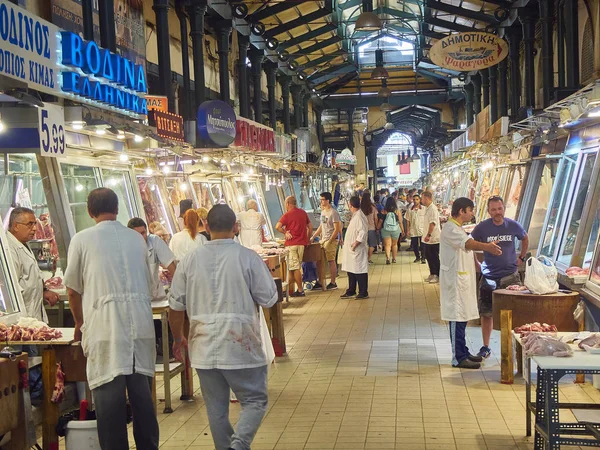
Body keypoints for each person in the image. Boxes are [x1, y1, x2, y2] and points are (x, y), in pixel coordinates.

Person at [169, 205, 278, 450]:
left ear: (206, 227)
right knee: (255, 401)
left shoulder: (189, 261)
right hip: (242, 344)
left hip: (203, 345)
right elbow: (269, 298)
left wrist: (178, 338)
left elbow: (175, 306)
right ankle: (238, 445)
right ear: (236, 227)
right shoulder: (248, 258)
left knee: (216, 409)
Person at [63, 188, 159, 450]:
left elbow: (72, 289)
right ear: (117, 210)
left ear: (90, 211)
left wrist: (79, 322)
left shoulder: (82, 239)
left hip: (105, 329)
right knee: (143, 402)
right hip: (140, 327)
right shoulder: (137, 239)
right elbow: (149, 284)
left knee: (109, 406)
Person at [440, 197, 502, 369]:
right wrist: (487, 247)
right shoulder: (450, 228)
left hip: (461, 279)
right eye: (471, 210)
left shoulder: (457, 228)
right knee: (456, 318)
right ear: (462, 211)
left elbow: (466, 247)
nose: (472, 213)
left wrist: (476, 263)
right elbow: (468, 243)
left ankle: (464, 351)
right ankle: (457, 358)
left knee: (462, 318)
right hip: (454, 281)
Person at [7, 207, 60, 402]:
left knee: (33, 364)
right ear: (15, 226)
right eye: (30, 224)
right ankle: (31, 408)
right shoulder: (10, 250)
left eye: (35, 223)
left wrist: (43, 289)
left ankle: (34, 405)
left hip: (31, 319)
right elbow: (15, 287)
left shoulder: (22, 244)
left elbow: (29, 279)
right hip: (21, 323)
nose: (35, 228)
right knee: (27, 368)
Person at [471, 196, 530, 359]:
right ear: (489, 211)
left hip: (510, 277)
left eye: (500, 208)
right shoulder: (482, 228)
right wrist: (475, 262)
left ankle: (517, 347)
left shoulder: (513, 225)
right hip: (489, 277)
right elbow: (470, 243)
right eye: (494, 209)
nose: (497, 212)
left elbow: (524, 238)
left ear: (504, 209)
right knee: (486, 313)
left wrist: (522, 258)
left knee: (516, 314)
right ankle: (486, 346)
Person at [127, 217, 176, 302]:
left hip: (157, 297)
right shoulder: (125, 249)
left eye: (143, 233)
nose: (141, 237)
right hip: (137, 300)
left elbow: (171, 266)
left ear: (147, 232)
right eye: (136, 234)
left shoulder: (155, 241)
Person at [276, 196, 312, 298]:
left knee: (295, 268)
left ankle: (300, 290)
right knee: (292, 268)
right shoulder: (303, 213)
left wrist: (285, 232)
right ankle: (286, 290)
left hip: (291, 245)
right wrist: (308, 239)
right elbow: (309, 227)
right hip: (301, 244)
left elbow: (277, 226)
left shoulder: (287, 215)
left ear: (287, 204)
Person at [311, 192, 342, 290]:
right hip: (323, 240)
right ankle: (320, 281)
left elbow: (337, 228)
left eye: (322, 199)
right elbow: (322, 226)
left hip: (331, 240)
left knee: (331, 261)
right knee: (319, 261)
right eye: (320, 199)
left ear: (328, 200)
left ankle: (333, 282)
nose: (321, 201)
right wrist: (313, 236)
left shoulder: (333, 213)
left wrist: (331, 240)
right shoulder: (323, 212)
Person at [340, 196, 369, 299]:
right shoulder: (355, 215)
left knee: (359, 271)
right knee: (351, 271)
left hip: (357, 248)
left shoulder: (360, 217)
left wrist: (356, 243)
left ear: (350, 205)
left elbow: (362, 232)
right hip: (351, 249)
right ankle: (351, 290)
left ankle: (363, 292)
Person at [422, 191, 441, 284]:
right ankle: (432, 273)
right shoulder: (428, 208)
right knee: (429, 257)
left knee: (434, 257)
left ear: (426, 198)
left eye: (422, 198)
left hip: (433, 238)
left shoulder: (433, 209)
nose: (422, 201)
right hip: (428, 239)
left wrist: (429, 235)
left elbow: (433, 223)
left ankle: (437, 275)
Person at [377, 197, 404, 265]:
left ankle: (388, 258)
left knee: (387, 245)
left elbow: (380, 221)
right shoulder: (397, 211)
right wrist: (402, 230)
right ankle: (394, 259)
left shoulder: (384, 210)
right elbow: (400, 222)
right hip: (396, 229)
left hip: (385, 229)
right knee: (394, 244)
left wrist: (377, 228)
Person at [406, 194, 426, 263]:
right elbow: (408, 220)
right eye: (414, 199)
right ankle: (417, 257)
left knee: (423, 244)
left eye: (417, 199)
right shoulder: (410, 210)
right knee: (415, 245)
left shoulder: (424, 209)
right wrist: (408, 230)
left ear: (420, 200)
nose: (415, 201)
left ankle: (423, 258)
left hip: (422, 229)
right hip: (413, 229)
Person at [361, 193, 378, 264]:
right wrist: (377, 227)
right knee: (372, 244)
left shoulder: (360, 208)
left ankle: (363, 259)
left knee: (363, 245)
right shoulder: (373, 208)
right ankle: (368, 258)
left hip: (362, 229)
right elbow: (375, 218)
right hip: (371, 228)